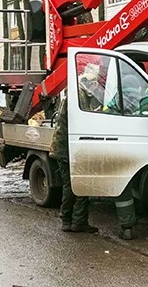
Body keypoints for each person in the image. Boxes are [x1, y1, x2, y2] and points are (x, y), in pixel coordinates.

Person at [50, 96, 97, 234]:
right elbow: (83, 119)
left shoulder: (74, 95)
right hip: (69, 149)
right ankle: (78, 222)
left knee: (69, 185)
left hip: (64, 147)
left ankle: (68, 221)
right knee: (80, 185)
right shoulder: (79, 97)